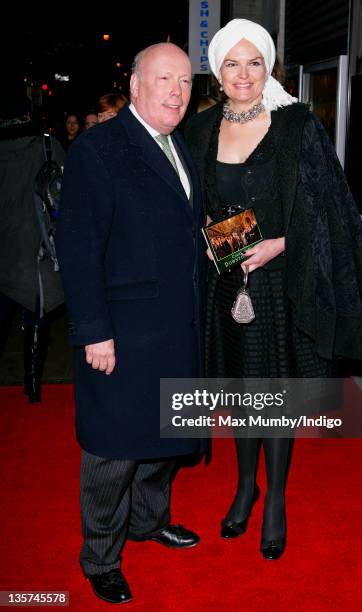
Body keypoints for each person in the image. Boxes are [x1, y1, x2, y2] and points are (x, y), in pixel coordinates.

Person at [185, 19, 362, 561]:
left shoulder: (297, 124)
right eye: (232, 63)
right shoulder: (200, 130)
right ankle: (244, 486)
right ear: (217, 71)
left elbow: (324, 205)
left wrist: (280, 243)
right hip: (226, 282)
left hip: (279, 281)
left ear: (268, 66)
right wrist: (203, 238)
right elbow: (188, 203)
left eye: (255, 62)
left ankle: (274, 499)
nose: (243, 74)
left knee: (271, 398)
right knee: (238, 395)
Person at [56, 43, 205, 604]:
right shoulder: (100, 149)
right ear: (136, 86)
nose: (176, 90)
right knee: (113, 449)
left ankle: (148, 521)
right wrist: (94, 330)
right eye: (163, 78)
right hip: (121, 331)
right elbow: (79, 247)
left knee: (166, 436)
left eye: (185, 81)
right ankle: (99, 556)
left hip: (175, 324)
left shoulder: (176, 146)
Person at [0, 86, 65, 403]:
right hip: (34, 242)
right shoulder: (46, 145)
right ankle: (33, 386)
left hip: (4, 246)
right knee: (35, 313)